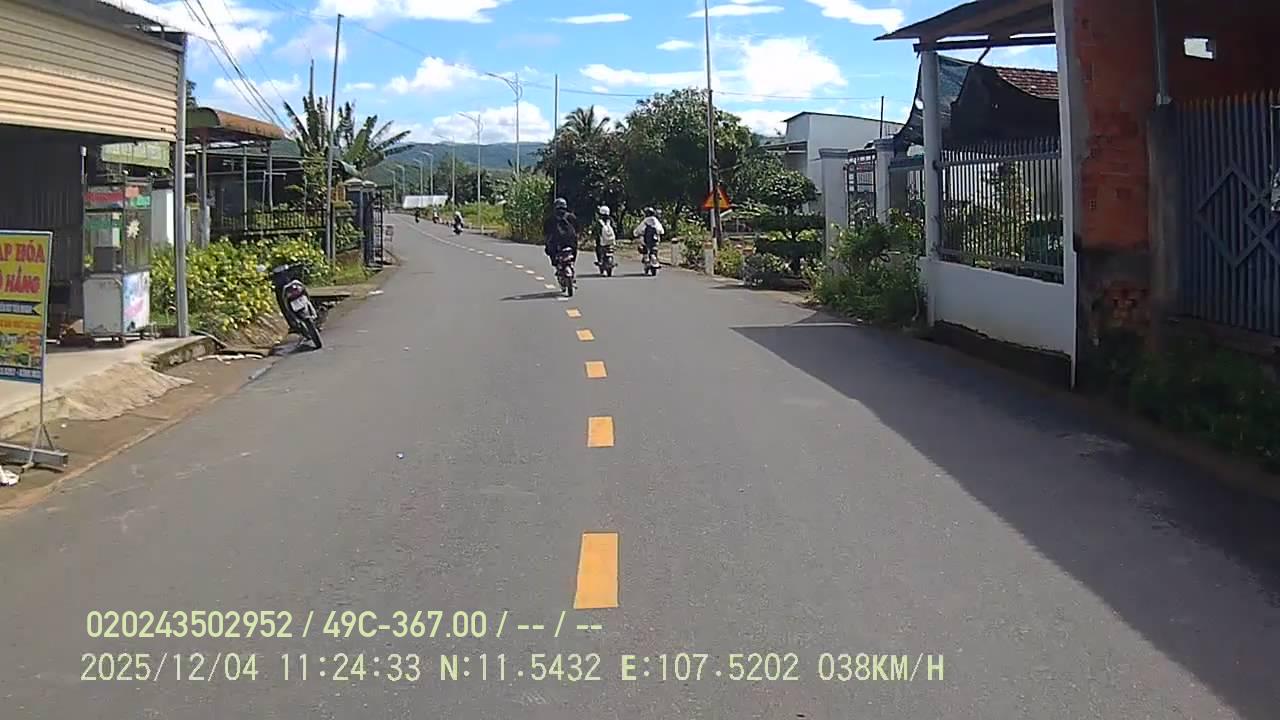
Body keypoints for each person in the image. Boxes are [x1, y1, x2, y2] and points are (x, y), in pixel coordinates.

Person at [544, 197, 579, 267]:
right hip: (570, 243)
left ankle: (555, 263)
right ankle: (572, 263)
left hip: (557, 243)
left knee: (549, 248)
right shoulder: (571, 216)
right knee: (575, 246)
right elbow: (577, 228)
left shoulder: (551, 218)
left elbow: (546, 232)